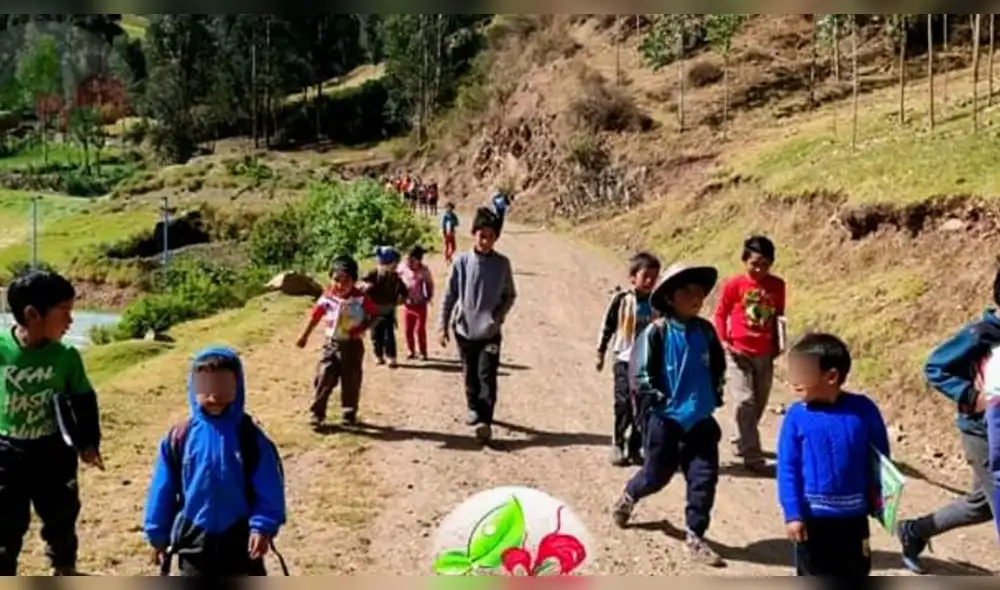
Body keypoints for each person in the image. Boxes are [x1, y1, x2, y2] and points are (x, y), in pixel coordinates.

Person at [610, 262, 727, 567]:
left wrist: (713, 395)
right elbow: (641, 375)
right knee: (656, 475)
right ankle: (630, 495)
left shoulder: (706, 331)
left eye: (700, 291)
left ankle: (695, 535)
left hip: (700, 420)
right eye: (688, 291)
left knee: (704, 478)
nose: (697, 296)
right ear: (670, 297)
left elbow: (717, 366)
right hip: (665, 421)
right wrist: (657, 405)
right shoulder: (656, 333)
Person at [144, 348, 286, 576]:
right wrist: (157, 534)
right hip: (194, 539)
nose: (214, 395)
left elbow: (269, 487)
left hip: (241, 538)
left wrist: (263, 526)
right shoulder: (179, 438)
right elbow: (163, 489)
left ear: (237, 386)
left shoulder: (250, 438)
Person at [896, 267, 1000, 574]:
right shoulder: (981, 333)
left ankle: (914, 531)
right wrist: (972, 397)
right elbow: (935, 367)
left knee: (981, 504)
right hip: (981, 433)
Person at [0, 270, 103, 576]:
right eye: (64, 312)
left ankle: (64, 567)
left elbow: (84, 398)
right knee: (4, 524)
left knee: (61, 516)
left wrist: (88, 442)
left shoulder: (67, 357)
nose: (70, 321)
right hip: (6, 452)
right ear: (32, 314)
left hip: (52, 451)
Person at [777, 332, 889, 578]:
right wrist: (793, 514)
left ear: (831, 376)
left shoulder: (863, 410)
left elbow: (880, 459)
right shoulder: (796, 417)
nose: (794, 380)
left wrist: (879, 496)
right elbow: (788, 469)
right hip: (812, 522)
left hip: (854, 519)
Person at [438, 207, 517, 444]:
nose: (485, 241)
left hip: (489, 332)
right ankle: (473, 406)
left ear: (496, 238)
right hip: (464, 330)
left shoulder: (502, 264)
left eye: (490, 237)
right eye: (481, 235)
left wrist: (498, 316)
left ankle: (485, 420)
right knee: (470, 372)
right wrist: (441, 325)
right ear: (473, 234)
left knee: (487, 375)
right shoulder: (461, 262)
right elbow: (449, 295)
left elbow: (510, 295)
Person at [712, 235, 786, 471]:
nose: (759, 269)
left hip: (765, 353)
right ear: (745, 261)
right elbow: (721, 313)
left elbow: (778, 317)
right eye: (754, 263)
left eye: (765, 264)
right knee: (745, 401)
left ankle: (741, 439)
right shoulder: (734, 285)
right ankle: (752, 457)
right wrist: (723, 341)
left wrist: (778, 345)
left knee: (760, 402)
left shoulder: (777, 286)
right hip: (738, 352)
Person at [596, 252, 661, 467]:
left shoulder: (658, 304)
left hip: (647, 364)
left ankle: (635, 447)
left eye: (654, 277)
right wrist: (601, 351)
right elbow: (608, 325)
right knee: (623, 402)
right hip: (624, 359)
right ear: (633, 277)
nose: (650, 281)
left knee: (643, 406)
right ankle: (617, 443)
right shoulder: (622, 300)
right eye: (645, 276)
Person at [296, 255, 377, 427]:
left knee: (351, 378)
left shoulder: (360, 298)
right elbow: (316, 316)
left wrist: (361, 329)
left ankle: (349, 412)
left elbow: (374, 315)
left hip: (352, 345)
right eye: (336, 280)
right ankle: (317, 413)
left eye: (345, 281)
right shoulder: (327, 297)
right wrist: (304, 336)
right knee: (324, 375)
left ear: (353, 281)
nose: (340, 285)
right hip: (332, 344)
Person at [361, 247, 408, 368]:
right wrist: (365, 288)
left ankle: (391, 357)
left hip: (388, 310)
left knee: (389, 335)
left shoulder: (395, 277)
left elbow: (404, 290)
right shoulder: (373, 274)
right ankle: (378, 355)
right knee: (376, 336)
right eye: (394, 264)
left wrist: (403, 298)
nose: (396, 267)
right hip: (374, 311)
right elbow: (361, 286)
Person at [399, 246, 435, 361]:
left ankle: (423, 352)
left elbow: (430, 284)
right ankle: (411, 350)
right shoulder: (402, 268)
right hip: (408, 304)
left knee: (419, 330)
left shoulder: (424, 270)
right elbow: (396, 280)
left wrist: (429, 296)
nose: (409, 261)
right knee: (408, 329)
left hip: (420, 304)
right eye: (408, 259)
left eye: (412, 260)